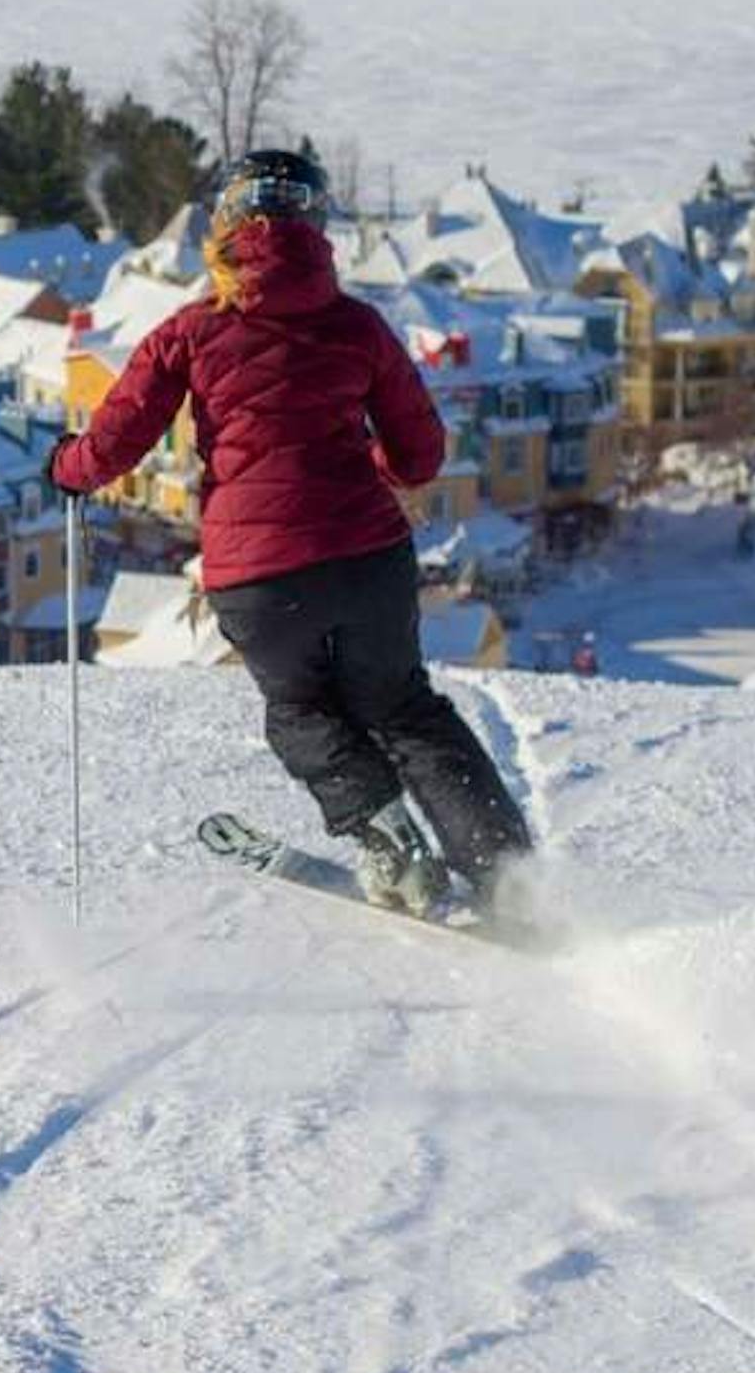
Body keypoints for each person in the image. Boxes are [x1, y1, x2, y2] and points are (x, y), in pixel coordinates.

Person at [45, 150, 531, 914]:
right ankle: (506, 876)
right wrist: (368, 459)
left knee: (302, 708)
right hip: (369, 556)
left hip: (260, 575)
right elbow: (421, 455)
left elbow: (114, 442)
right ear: (319, 228)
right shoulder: (359, 327)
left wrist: (67, 468)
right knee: (403, 707)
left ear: (225, 230)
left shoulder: (191, 331)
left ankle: (392, 845)